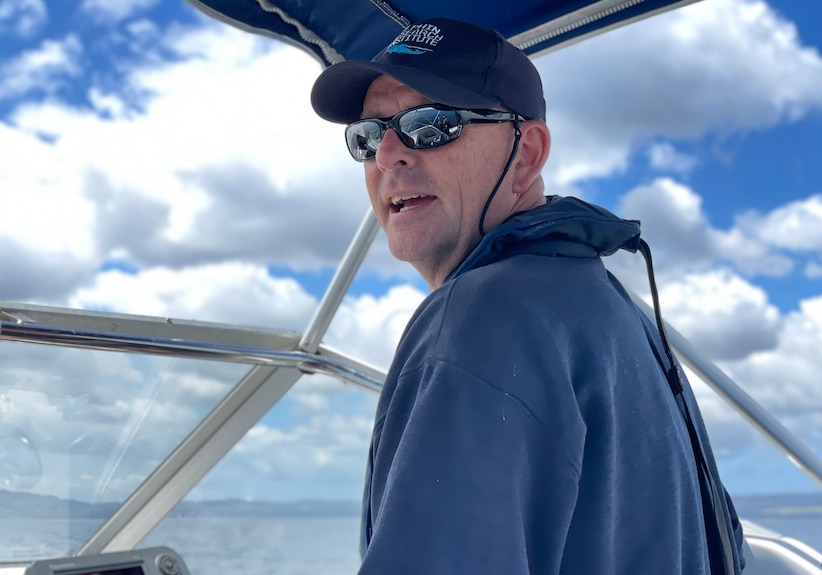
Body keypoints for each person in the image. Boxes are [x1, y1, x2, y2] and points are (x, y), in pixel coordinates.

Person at [311, 17, 745, 574]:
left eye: (431, 123)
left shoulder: (481, 321)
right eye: (368, 137)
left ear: (526, 154)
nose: (388, 155)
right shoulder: (603, 305)